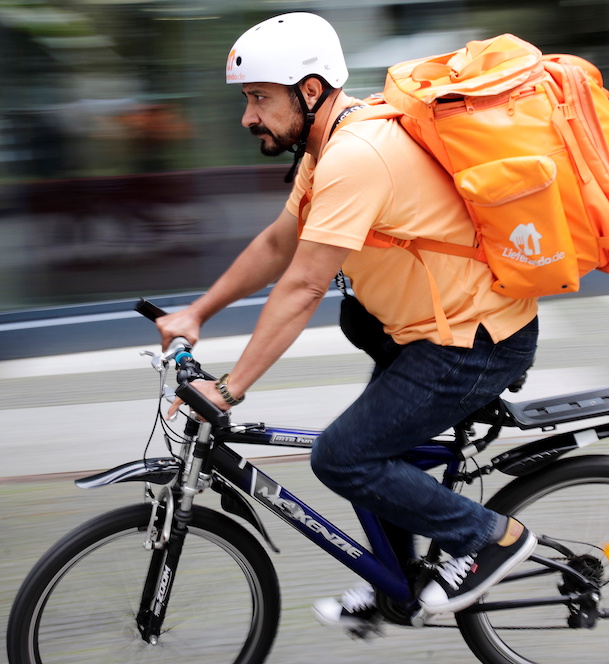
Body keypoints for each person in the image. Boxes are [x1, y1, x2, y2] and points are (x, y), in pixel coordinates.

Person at [154, 12, 539, 628]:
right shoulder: (327, 146)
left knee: (343, 456)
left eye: (259, 98)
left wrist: (228, 389)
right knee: (378, 454)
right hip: (417, 338)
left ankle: (489, 537)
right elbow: (281, 245)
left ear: (310, 92)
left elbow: (304, 283)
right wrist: (198, 312)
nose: (247, 116)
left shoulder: (358, 154)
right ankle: (396, 581)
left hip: (471, 342)